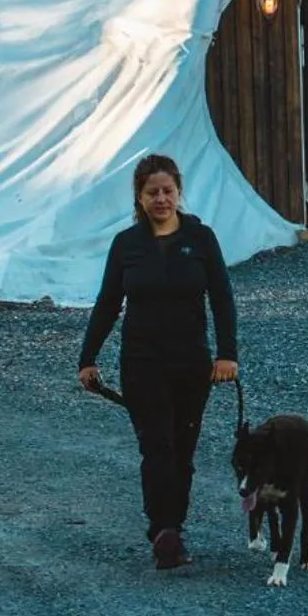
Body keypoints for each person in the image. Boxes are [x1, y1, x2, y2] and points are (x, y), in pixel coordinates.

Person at [78, 154, 239, 570]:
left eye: (168, 191)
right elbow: (108, 303)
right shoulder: (126, 245)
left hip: (191, 362)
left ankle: (174, 526)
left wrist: (227, 354)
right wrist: (87, 358)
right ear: (140, 197)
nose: (161, 199)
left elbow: (222, 298)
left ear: (179, 192)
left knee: (183, 447)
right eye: (153, 192)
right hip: (142, 362)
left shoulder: (201, 239)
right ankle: (163, 530)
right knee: (156, 445)